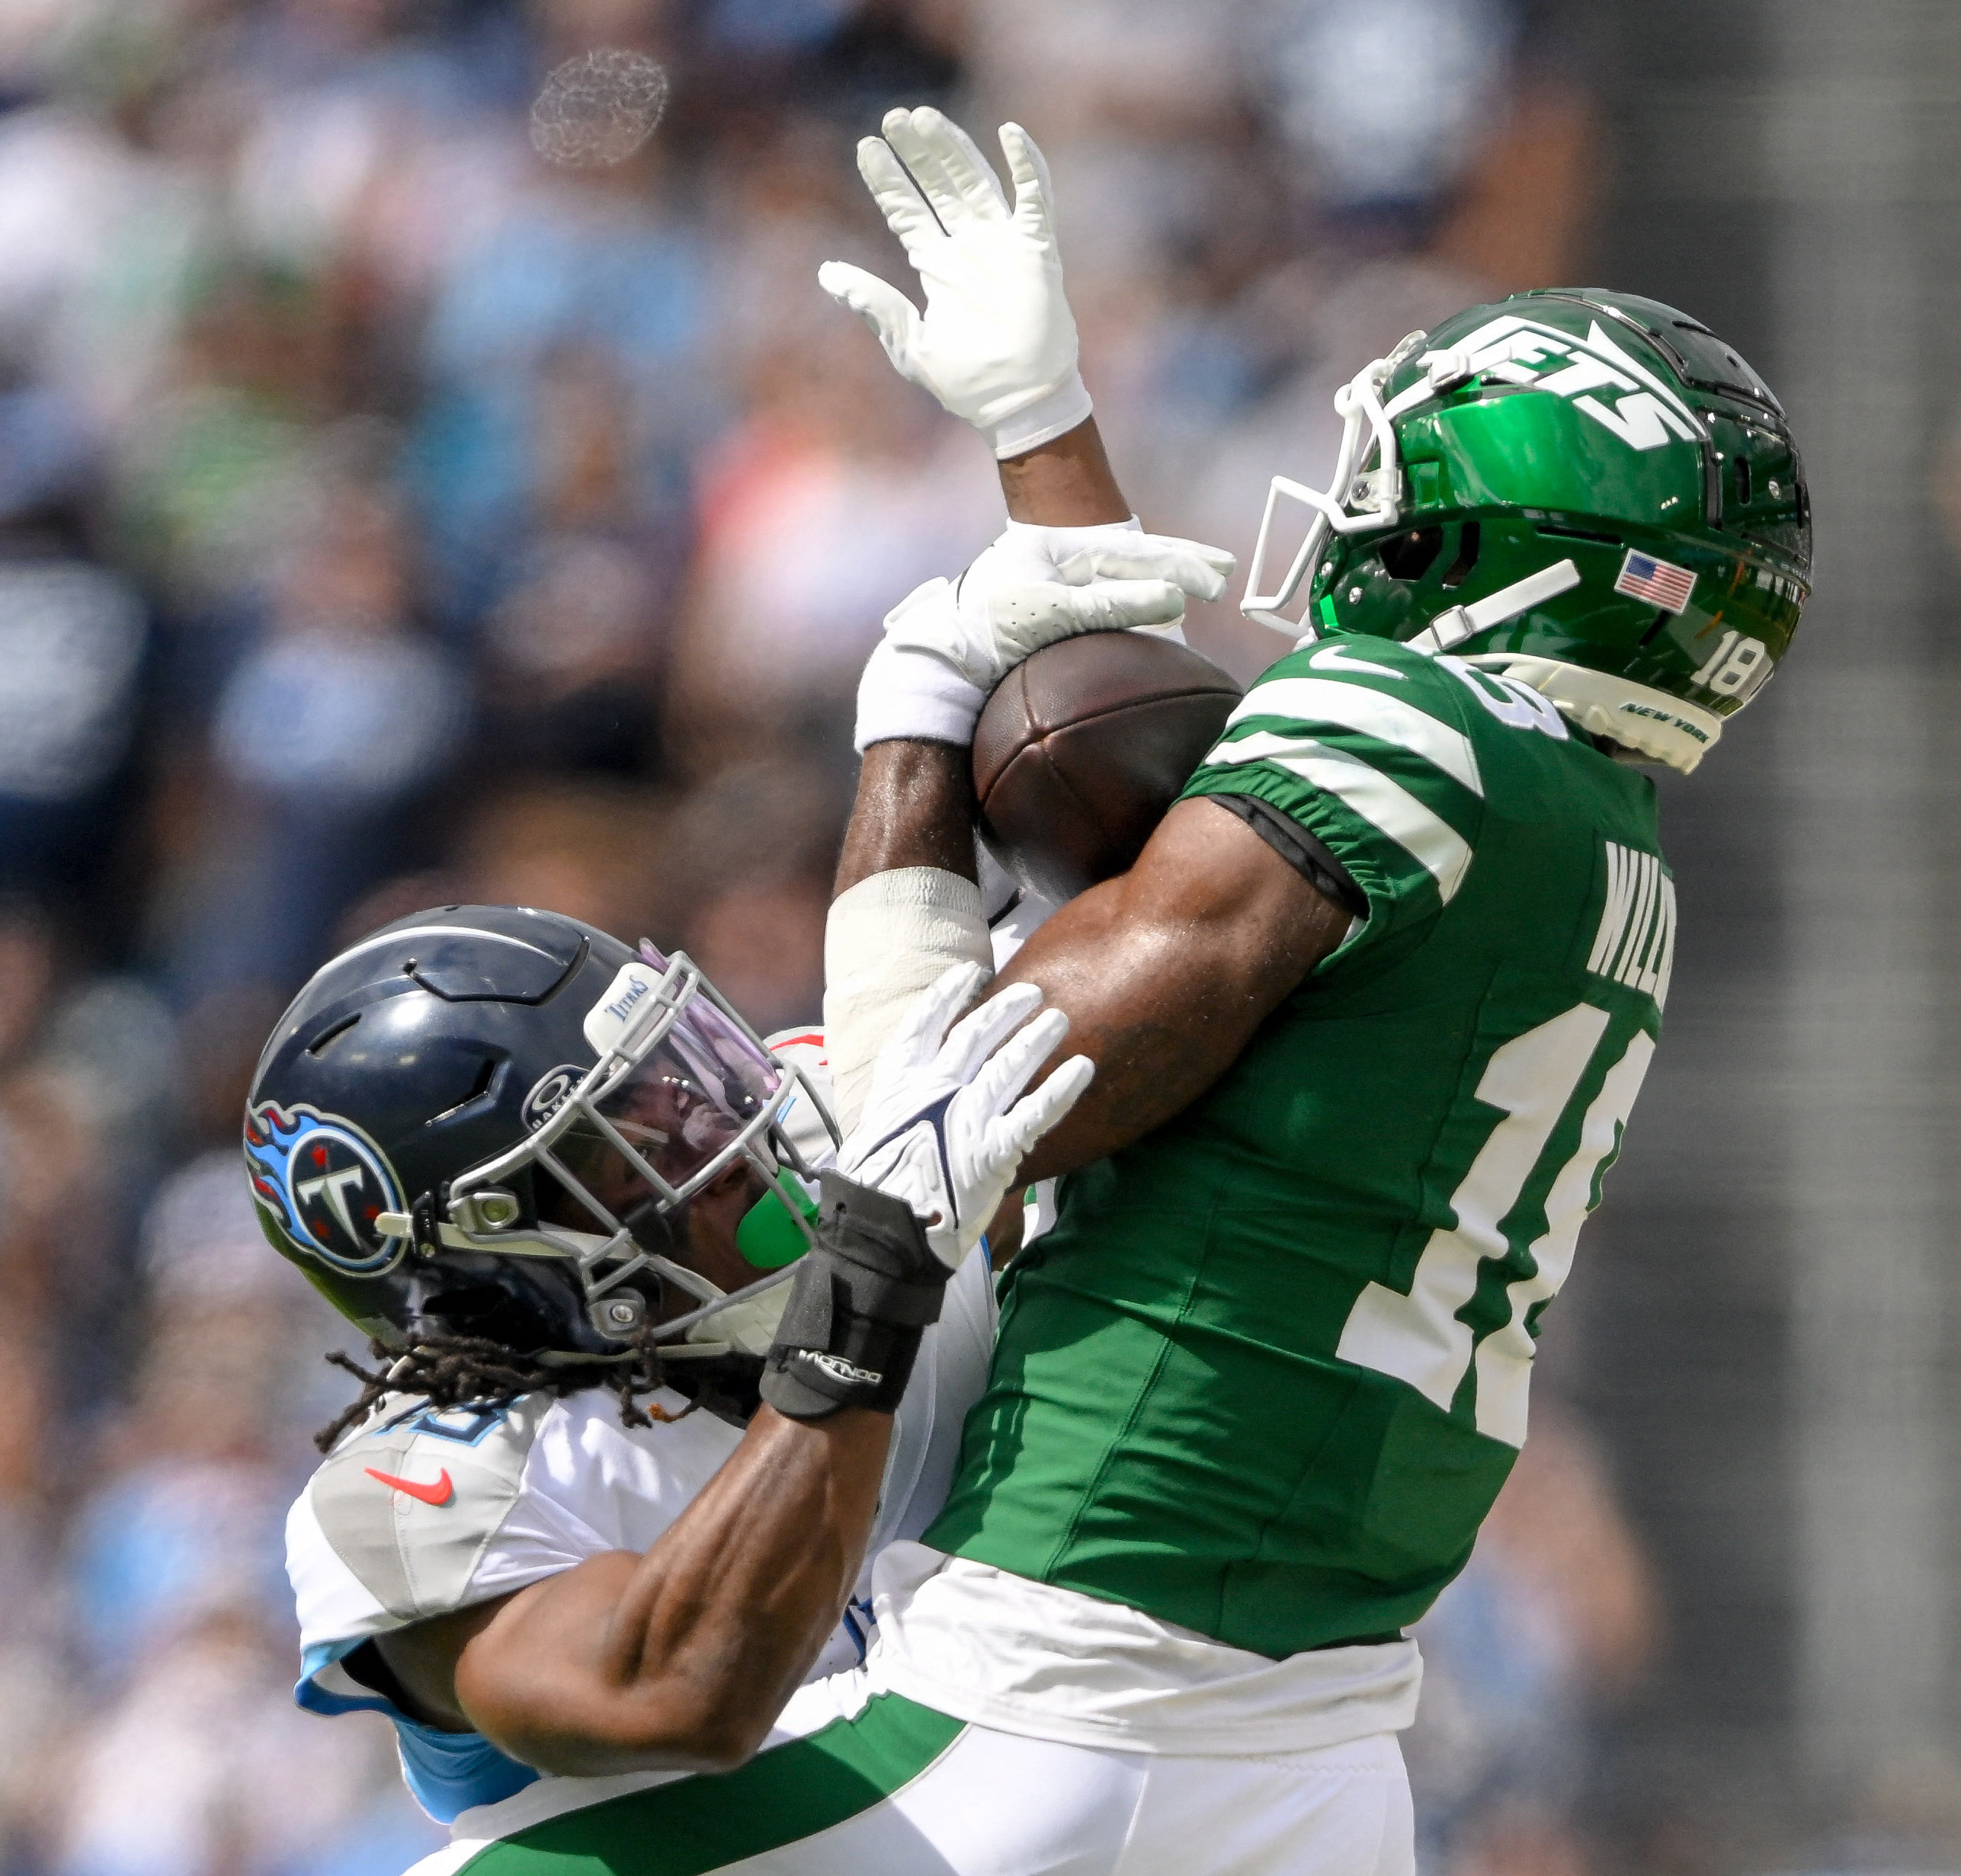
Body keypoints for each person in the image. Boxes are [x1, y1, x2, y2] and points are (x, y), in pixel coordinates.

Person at [427, 108, 1808, 1874]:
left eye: (1403, 488)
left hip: (1062, 1678)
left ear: (1515, 537)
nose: (1357, 526)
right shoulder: (1594, 846)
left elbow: (932, 1093)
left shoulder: (1411, 736)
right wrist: (1038, 435)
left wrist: (909, 721)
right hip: (1315, 1737)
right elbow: (1145, 818)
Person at [252, 903, 1101, 1845]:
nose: (716, 1121)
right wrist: (866, 1288)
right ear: (491, 1262)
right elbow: (679, 1688)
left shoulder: (829, 1142)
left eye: (676, 1066)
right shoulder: (424, 1488)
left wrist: (909, 750)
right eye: (622, 1144)